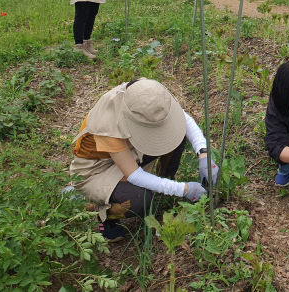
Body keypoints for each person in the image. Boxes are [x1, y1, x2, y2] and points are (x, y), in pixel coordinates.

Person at [69, 78, 218, 241]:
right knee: (140, 200)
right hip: (96, 169)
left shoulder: (147, 93)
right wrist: (183, 189)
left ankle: (164, 185)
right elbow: (134, 175)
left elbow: (183, 120)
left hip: (128, 150)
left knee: (174, 136)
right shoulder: (107, 123)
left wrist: (203, 154)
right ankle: (101, 211)